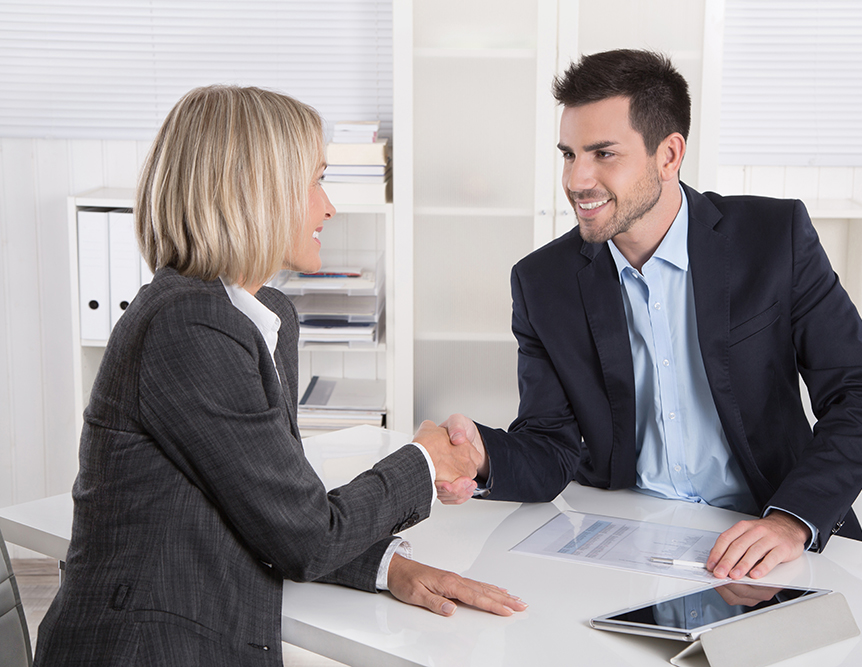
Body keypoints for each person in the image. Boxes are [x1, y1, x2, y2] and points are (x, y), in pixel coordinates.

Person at [34, 85, 524, 667]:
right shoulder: (190, 327)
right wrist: (423, 460)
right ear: (254, 193)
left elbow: (269, 511)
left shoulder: (256, 317)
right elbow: (305, 536)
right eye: (315, 182)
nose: (329, 207)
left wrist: (387, 565)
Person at [437, 49, 862, 582]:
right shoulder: (543, 282)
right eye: (568, 154)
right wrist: (484, 456)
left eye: (603, 154)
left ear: (669, 154)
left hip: (768, 531)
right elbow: (550, 444)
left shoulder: (774, 239)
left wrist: (792, 521)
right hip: (625, 538)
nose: (576, 179)